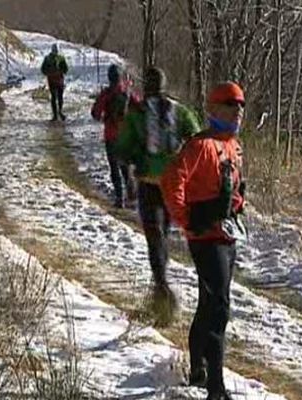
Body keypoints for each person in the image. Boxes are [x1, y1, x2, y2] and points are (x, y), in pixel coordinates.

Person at [161, 82, 247, 400]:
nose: (237, 110)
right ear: (213, 109)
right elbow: (172, 181)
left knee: (209, 303)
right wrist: (188, 221)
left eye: (240, 105)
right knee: (219, 309)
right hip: (207, 238)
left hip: (226, 234)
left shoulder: (234, 145)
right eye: (230, 104)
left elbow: (232, 189)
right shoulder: (201, 145)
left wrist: (237, 204)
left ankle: (198, 368)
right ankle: (216, 388)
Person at [114, 67, 200, 316]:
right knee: (163, 232)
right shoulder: (180, 111)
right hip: (174, 185)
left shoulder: (137, 114)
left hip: (148, 184)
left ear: (147, 86)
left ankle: (161, 289)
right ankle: (161, 283)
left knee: (155, 236)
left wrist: (132, 167)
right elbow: (196, 140)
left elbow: (121, 148)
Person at [91, 64, 140, 208]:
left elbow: (95, 113)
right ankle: (132, 195)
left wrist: (103, 117)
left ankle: (119, 198)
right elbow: (141, 106)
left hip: (110, 135)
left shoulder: (106, 94)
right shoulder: (128, 92)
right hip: (126, 135)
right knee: (126, 166)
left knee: (114, 167)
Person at [40, 43, 68, 121]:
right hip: (56, 80)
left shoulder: (51, 58)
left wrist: (51, 73)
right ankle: (58, 113)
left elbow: (65, 69)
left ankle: (57, 113)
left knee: (56, 97)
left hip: (55, 80)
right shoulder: (53, 58)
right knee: (57, 97)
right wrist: (55, 72)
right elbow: (65, 69)